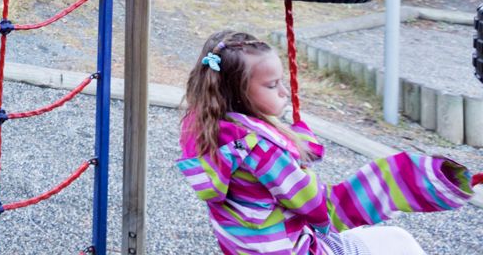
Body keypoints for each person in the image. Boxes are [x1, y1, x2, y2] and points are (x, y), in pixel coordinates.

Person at [177, 31, 481, 254]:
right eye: (272, 85)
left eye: (283, 82)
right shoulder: (261, 150)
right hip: (292, 250)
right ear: (237, 91)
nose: (284, 92)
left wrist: (297, 138)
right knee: (399, 244)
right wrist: (409, 180)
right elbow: (324, 208)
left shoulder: (211, 131)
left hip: (248, 247)